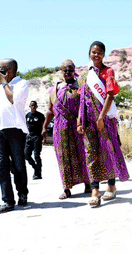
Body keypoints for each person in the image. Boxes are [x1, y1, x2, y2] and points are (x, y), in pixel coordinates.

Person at [77, 41, 129, 208]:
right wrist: (79, 120)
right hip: (88, 121)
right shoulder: (85, 76)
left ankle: (112, 185)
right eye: (93, 52)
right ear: (89, 54)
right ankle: (94, 191)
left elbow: (109, 95)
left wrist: (101, 117)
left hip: (105, 120)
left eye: (99, 52)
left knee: (108, 151)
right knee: (90, 154)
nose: (96, 55)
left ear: (104, 54)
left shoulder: (108, 72)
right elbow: (82, 100)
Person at [43, 59, 91, 199]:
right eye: (65, 71)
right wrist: (44, 127)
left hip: (78, 127)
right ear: (61, 72)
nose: (68, 73)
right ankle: (67, 188)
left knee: (82, 153)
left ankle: (88, 183)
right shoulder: (55, 89)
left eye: (70, 70)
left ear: (74, 70)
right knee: (63, 157)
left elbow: (87, 106)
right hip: (60, 128)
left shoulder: (81, 86)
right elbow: (50, 111)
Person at [0, 58, 30, 214]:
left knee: (18, 164)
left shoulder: (22, 83)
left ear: (9, 69)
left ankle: (22, 193)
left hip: (16, 129)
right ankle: (7, 200)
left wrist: (3, 83)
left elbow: (13, 99)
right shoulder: (3, 87)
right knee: (2, 165)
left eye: (1, 68)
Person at [25, 101, 45, 180]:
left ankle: (38, 173)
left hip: (37, 137)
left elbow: (44, 127)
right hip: (30, 136)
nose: (33, 107)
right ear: (29, 106)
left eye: (34, 105)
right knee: (26, 155)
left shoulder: (40, 115)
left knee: (37, 155)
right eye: (31, 105)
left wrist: (44, 138)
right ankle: (36, 168)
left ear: (36, 106)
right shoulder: (27, 115)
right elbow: (26, 125)